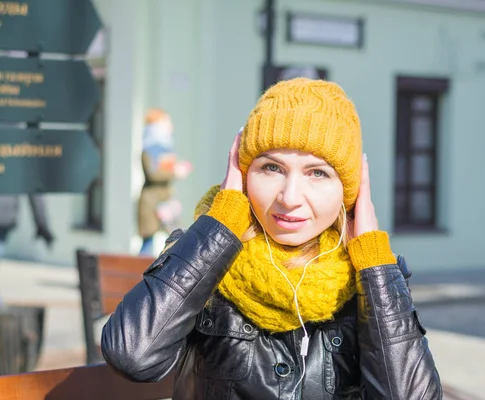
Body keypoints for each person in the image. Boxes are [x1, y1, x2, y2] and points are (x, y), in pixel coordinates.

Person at [102, 78, 442, 399]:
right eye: (271, 168)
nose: (290, 196)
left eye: (318, 173)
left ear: (349, 191)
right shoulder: (205, 254)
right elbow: (133, 355)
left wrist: (372, 256)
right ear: (242, 171)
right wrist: (222, 223)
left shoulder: (368, 277)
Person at [137, 109, 192, 256]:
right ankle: (139, 275)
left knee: (176, 239)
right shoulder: (149, 149)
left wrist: (176, 168)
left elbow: (164, 170)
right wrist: (174, 171)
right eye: (167, 122)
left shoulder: (165, 148)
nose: (170, 127)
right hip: (152, 202)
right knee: (148, 244)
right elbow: (153, 174)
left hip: (166, 200)